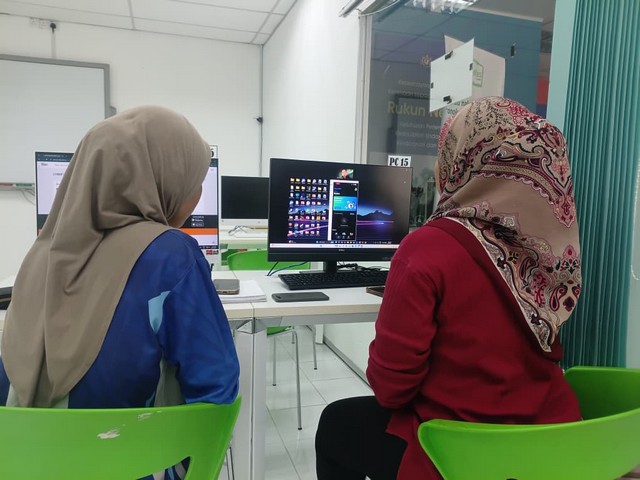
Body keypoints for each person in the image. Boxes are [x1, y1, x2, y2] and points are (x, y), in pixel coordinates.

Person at [315, 96, 583, 480]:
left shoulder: (426, 248)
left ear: (462, 161)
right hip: (551, 444)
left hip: (460, 451)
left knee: (335, 424)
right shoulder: (552, 250)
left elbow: (391, 389)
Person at [0, 106, 239, 477]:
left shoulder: (40, 254)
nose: (197, 193)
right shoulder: (171, 254)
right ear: (163, 180)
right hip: (129, 465)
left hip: (25, 465)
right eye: (195, 180)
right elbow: (216, 390)